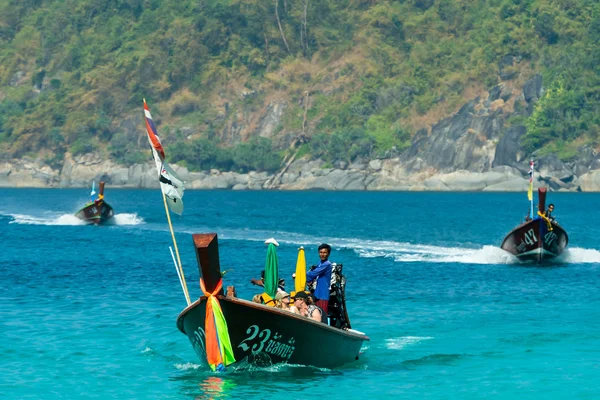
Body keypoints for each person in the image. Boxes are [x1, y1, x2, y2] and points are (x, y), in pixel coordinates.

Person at [306, 243, 332, 317]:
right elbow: (314, 275)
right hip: (317, 293)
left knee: (322, 315)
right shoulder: (320, 262)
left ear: (328, 253)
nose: (322, 254)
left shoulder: (327, 264)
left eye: (324, 252)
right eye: (321, 252)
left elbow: (314, 273)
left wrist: (300, 274)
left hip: (323, 294)